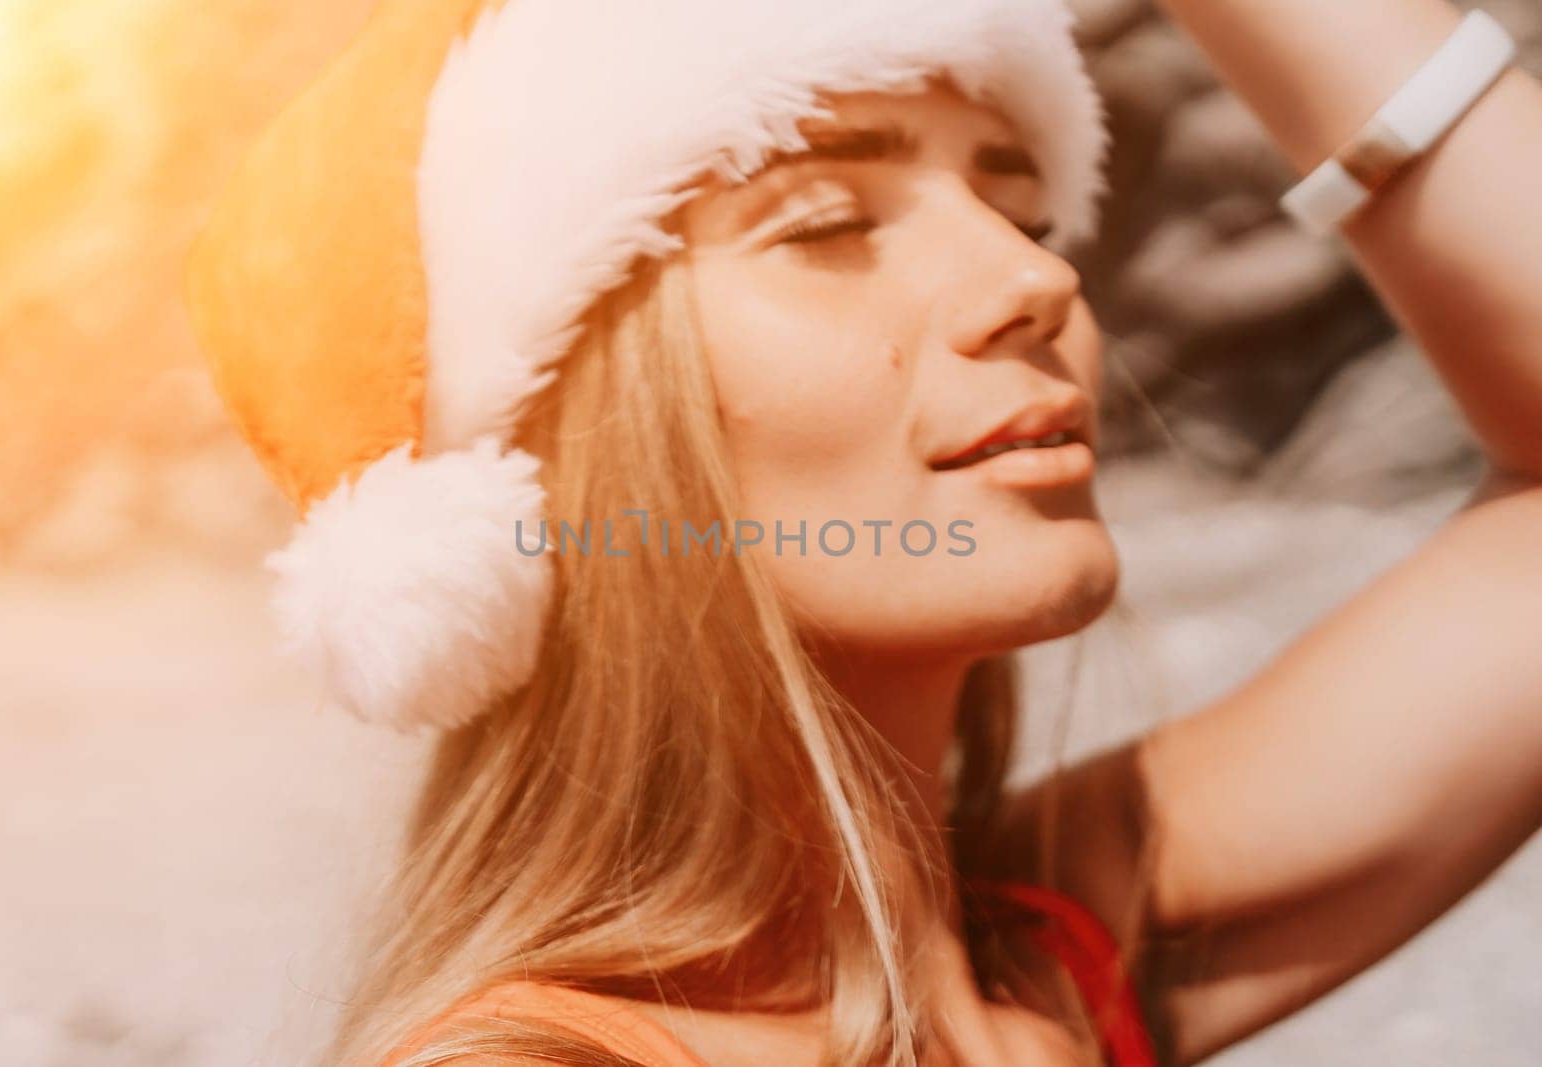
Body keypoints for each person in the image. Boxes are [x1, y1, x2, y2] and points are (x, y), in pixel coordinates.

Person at [183, 0, 1542, 1064]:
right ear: (574, 450)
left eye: (1015, 204)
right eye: (828, 220)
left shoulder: (1047, 968)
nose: (1037, 275)